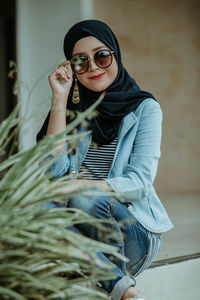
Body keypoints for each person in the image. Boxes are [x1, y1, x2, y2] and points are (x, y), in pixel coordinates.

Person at [37, 20, 173, 300]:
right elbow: (53, 174)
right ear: (71, 68)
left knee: (85, 198)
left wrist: (79, 187)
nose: (94, 67)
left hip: (133, 232)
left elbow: (139, 183)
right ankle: (121, 289)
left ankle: (94, 271)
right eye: (81, 61)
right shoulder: (72, 111)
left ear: (115, 54)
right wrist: (59, 102)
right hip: (85, 237)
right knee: (39, 207)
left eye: (101, 56)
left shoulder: (145, 108)